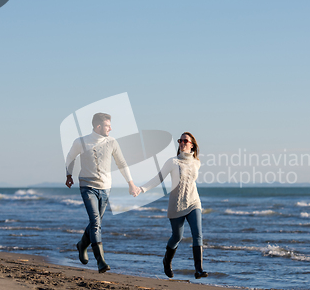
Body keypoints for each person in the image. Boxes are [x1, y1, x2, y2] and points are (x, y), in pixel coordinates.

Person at [65, 112, 140, 273]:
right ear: (98, 126)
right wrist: (69, 175)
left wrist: (131, 184)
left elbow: (121, 162)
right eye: (107, 125)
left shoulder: (112, 142)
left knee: (95, 222)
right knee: (96, 222)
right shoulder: (81, 142)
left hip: (106, 188)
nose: (110, 129)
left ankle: (81, 245)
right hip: (87, 186)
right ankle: (100, 261)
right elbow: (70, 157)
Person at [138, 132, 208, 279]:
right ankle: (167, 261)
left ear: (192, 145)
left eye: (185, 141)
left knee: (198, 234)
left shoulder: (197, 162)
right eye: (180, 140)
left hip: (194, 202)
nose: (182, 143)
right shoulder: (173, 162)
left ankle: (199, 269)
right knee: (177, 237)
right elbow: (159, 178)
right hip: (176, 205)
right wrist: (142, 189)